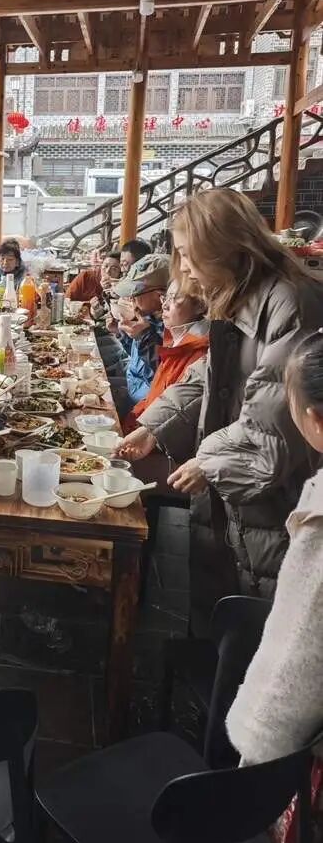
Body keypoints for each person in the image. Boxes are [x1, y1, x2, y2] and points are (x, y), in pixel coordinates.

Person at [118, 188, 323, 635]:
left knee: (260, 621)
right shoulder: (241, 293)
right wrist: (155, 426)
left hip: (273, 495)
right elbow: (208, 376)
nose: (185, 266)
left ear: (222, 246)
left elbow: (274, 426)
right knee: (223, 603)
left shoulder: (290, 305)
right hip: (235, 483)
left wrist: (208, 461)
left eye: (188, 253)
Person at [226, 334, 323, 769]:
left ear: (314, 420)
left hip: (289, 760)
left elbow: (298, 653)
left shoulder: (320, 523)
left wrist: (256, 759)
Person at [124, 279, 209, 431]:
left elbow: (171, 422)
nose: (164, 305)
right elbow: (154, 396)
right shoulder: (174, 341)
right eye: (165, 298)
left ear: (200, 306)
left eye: (174, 298)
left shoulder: (199, 355)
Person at [110, 254, 169, 415]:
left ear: (160, 295)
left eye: (136, 292)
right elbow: (137, 359)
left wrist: (144, 337)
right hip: (133, 388)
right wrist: (121, 333)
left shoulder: (171, 328)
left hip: (146, 406)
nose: (131, 298)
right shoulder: (148, 317)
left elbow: (163, 374)